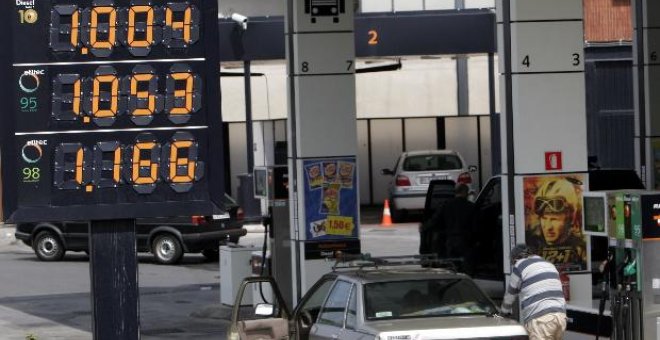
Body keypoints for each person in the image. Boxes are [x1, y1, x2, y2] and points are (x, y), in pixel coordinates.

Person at [501, 244, 567, 340]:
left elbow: (510, 296)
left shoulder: (520, 265)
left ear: (516, 259)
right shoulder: (548, 264)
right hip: (560, 316)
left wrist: (503, 313)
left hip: (541, 319)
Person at [526, 177, 587, 270]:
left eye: (554, 219)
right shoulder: (532, 245)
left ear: (570, 218)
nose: (548, 227)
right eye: (544, 218)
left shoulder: (581, 249)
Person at [420, 183, 475, 273]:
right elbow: (476, 226)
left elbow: (435, 221)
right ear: (465, 193)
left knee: (452, 267)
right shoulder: (471, 207)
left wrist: (424, 227)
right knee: (466, 268)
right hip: (466, 242)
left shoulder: (446, 205)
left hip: (451, 241)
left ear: (455, 192)